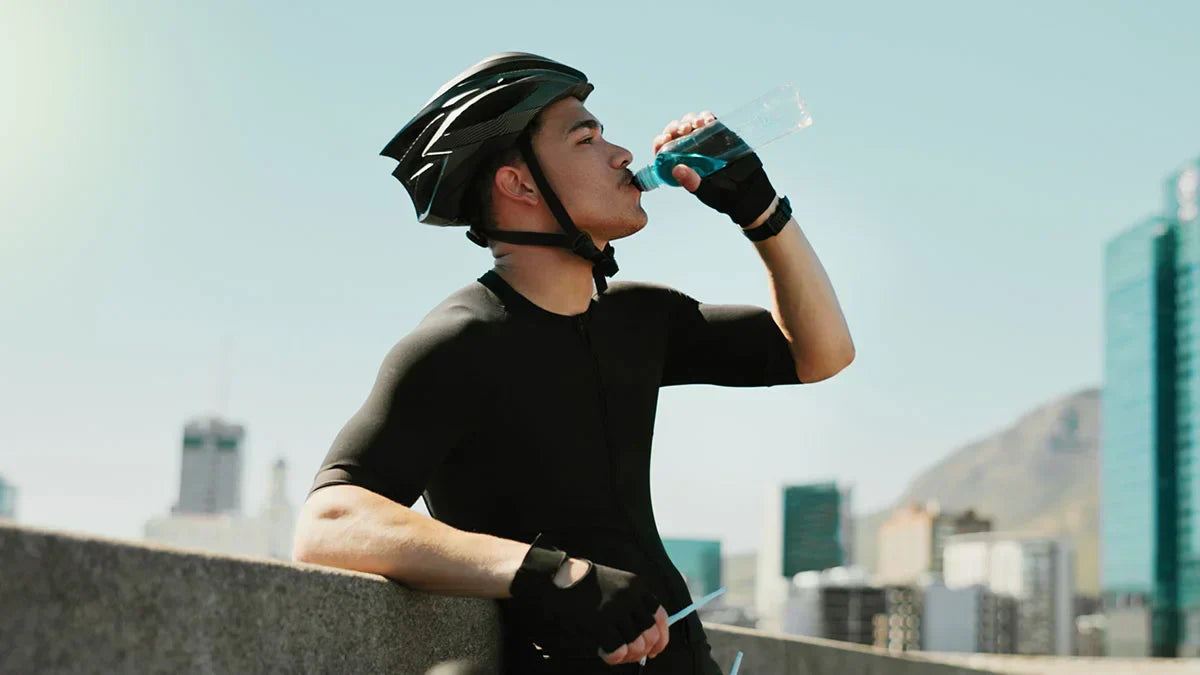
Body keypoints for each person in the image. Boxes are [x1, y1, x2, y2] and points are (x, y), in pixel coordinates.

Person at [293, 52, 854, 674]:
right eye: (587, 138)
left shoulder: (641, 319)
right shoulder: (460, 342)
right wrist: (553, 575)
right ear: (521, 184)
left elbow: (821, 353)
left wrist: (760, 209)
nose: (620, 154)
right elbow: (328, 522)